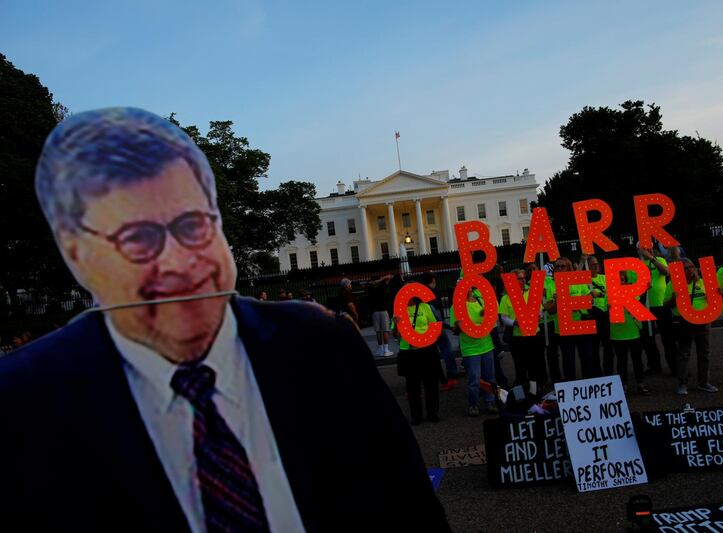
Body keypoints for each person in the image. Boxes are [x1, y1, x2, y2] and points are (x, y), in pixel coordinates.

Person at [0, 108, 449, 531]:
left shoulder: (319, 344)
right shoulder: (22, 400)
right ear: (79, 255)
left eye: (193, 225)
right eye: (139, 239)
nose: (180, 261)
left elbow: (408, 509)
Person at [665, 258, 718, 395]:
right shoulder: (673, 284)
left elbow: (715, 300)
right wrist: (673, 299)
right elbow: (665, 305)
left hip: (703, 322)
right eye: (686, 268)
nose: (690, 270)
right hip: (684, 323)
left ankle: (704, 382)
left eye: (691, 267)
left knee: (704, 353)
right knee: (683, 354)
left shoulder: (703, 282)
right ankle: (682, 383)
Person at [392, 295, 442, 424]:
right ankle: (416, 416)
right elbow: (396, 336)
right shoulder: (398, 311)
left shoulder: (425, 307)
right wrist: (396, 325)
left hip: (427, 350)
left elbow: (434, 325)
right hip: (409, 353)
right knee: (413, 386)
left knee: (430, 384)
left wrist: (431, 340)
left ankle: (432, 413)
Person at [450, 282, 497, 417]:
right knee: (474, 379)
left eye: (467, 287)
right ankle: (473, 405)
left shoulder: (480, 301)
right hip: (470, 349)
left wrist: (488, 313)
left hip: (486, 345)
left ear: (471, 288)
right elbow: (454, 330)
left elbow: (490, 320)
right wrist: (458, 326)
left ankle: (490, 402)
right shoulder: (456, 307)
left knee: (489, 377)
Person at [499, 268, 547, 389]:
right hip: (518, 338)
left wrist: (538, 315)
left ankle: (534, 393)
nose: (523, 281)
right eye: (519, 279)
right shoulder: (506, 298)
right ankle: (522, 396)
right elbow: (503, 317)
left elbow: (540, 311)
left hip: (533, 335)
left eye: (524, 278)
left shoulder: (531, 292)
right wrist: (515, 323)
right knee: (520, 367)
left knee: (534, 367)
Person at [553, 257, 599, 380]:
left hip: (581, 325)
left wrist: (573, 302)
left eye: (562, 266)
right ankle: (571, 388)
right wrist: (556, 302)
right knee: (568, 361)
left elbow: (590, 300)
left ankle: (588, 386)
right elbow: (550, 309)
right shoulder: (551, 283)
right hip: (564, 328)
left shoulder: (579, 281)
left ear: (569, 268)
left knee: (587, 359)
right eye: (556, 266)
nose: (558, 269)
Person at [609, 271, 649, 394]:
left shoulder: (631, 291)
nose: (622, 280)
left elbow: (637, 303)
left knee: (637, 359)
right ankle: (624, 385)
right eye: (619, 278)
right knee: (621, 361)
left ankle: (640, 383)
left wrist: (645, 289)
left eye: (623, 278)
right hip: (618, 332)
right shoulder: (609, 293)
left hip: (634, 331)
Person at [637, 243, 673, 375]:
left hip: (662, 305)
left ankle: (674, 366)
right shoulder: (636, 265)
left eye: (650, 247)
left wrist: (651, 258)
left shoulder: (659, 260)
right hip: (645, 307)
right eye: (645, 248)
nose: (649, 250)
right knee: (648, 340)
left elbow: (666, 271)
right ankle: (654, 366)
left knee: (668, 338)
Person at [421, 272, 460, 389]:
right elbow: (436, 315)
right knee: (446, 349)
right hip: (436, 328)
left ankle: (439, 377)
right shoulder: (431, 293)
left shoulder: (422, 293)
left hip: (428, 329)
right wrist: (448, 326)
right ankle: (451, 372)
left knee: (434, 353)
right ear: (432, 280)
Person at [586, 256, 613, 376]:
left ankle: (609, 372)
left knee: (608, 347)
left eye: (597, 264)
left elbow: (611, 292)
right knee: (594, 347)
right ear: (588, 267)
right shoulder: (584, 281)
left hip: (606, 314)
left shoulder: (605, 278)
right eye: (592, 265)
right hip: (593, 314)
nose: (596, 266)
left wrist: (601, 294)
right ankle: (597, 374)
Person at [368, 274, 393, 357]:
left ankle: (380, 349)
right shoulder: (382, 287)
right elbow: (389, 277)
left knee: (378, 331)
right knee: (385, 330)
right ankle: (386, 350)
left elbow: (370, 284)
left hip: (375, 312)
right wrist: (382, 279)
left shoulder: (371, 288)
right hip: (383, 311)